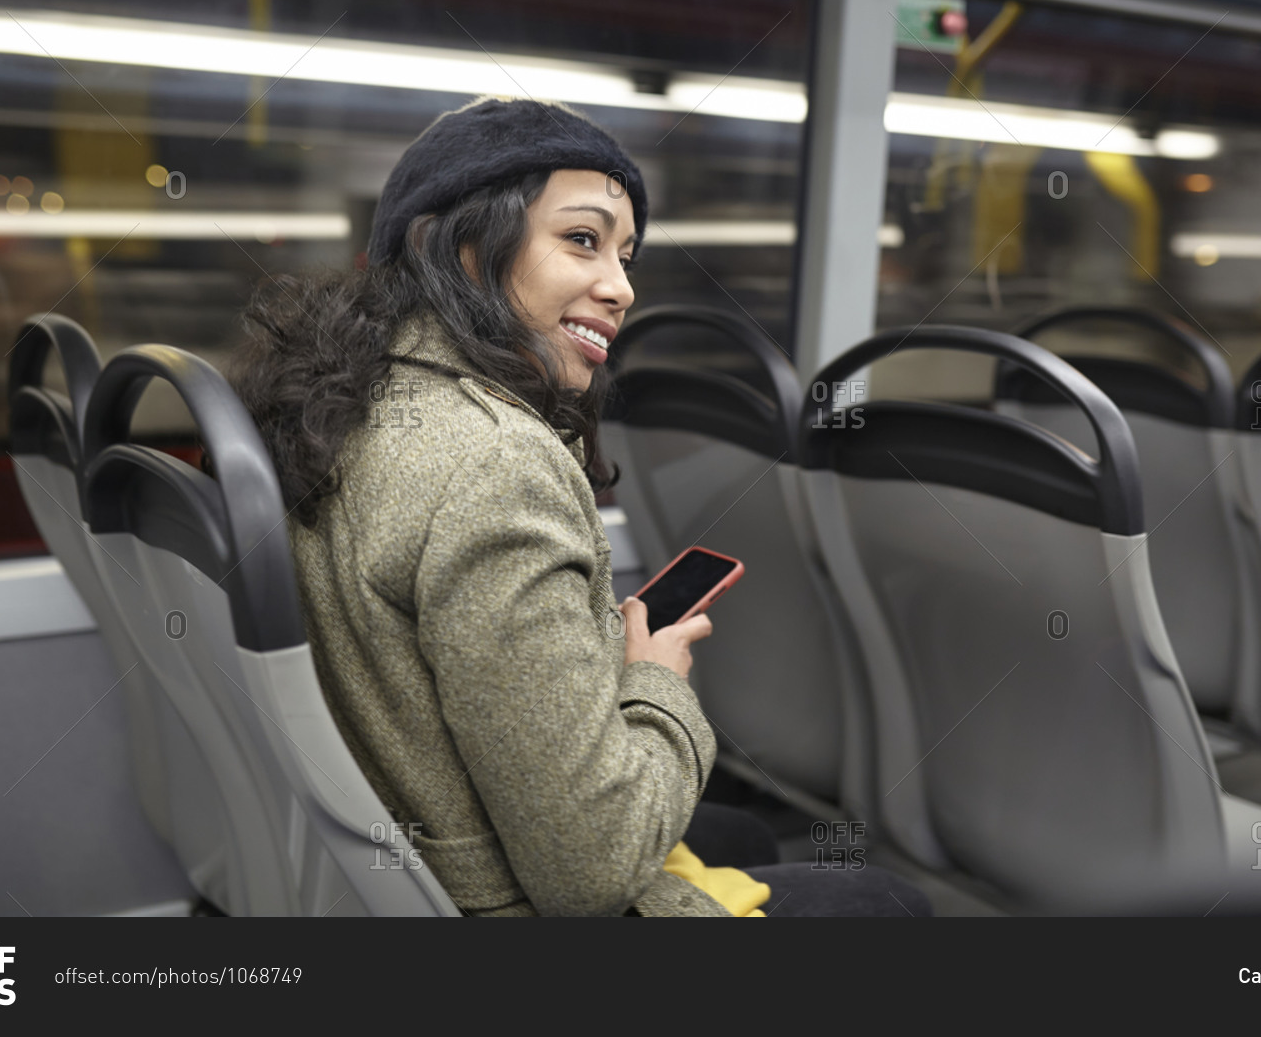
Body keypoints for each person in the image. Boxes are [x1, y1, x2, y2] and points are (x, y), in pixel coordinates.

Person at [230, 95, 929, 917]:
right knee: (881, 899)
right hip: (491, 900)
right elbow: (588, 874)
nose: (621, 288)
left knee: (737, 836)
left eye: (627, 256)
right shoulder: (492, 466)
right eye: (582, 240)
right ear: (457, 250)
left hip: (400, 854)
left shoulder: (346, 402)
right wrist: (653, 684)